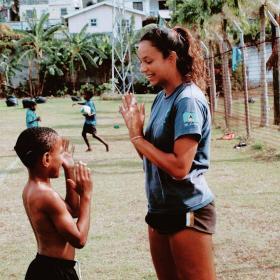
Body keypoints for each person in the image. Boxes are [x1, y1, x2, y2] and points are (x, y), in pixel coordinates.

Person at [120, 26, 216, 280]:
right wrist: (136, 133)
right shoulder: (162, 98)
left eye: (149, 61)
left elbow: (178, 167)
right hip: (159, 209)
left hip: (187, 209)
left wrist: (137, 138)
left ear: (171, 58)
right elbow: (153, 159)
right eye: (142, 62)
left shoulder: (188, 100)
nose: (143, 68)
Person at [14, 127, 93, 280]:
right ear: (46, 159)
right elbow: (79, 239)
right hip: (55, 272)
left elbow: (73, 211)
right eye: (60, 154)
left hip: (45, 267)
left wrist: (69, 169)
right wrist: (86, 196)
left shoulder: (32, 188)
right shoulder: (46, 195)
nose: (62, 158)